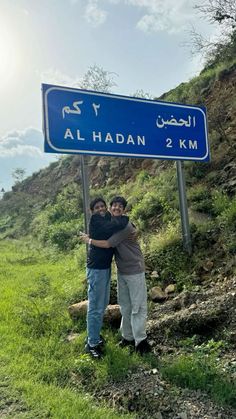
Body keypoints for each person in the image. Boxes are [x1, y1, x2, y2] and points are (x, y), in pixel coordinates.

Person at [82, 196, 151, 355]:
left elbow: (111, 241)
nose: (116, 208)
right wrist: (90, 240)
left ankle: (140, 341)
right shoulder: (105, 221)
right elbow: (106, 238)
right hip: (111, 270)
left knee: (136, 306)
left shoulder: (121, 223)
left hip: (132, 269)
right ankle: (119, 339)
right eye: (114, 206)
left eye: (120, 206)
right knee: (115, 306)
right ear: (109, 208)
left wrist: (89, 240)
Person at [81, 197, 129, 359]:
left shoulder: (106, 218)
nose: (101, 209)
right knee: (95, 306)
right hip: (96, 269)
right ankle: (91, 344)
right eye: (97, 207)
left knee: (101, 305)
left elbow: (117, 225)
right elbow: (117, 225)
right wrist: (126, 218)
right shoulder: (96, 221)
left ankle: (93, 336)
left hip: (104, 267)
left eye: (102, 206)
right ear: (92, 211)